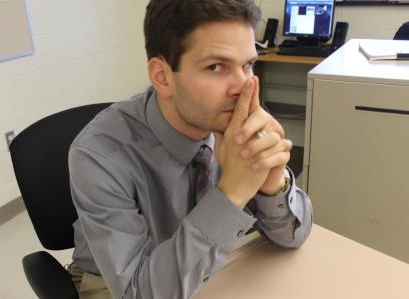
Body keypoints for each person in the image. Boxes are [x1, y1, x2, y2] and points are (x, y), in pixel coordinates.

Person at [68, 0, 313, 298]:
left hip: (210, 261)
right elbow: (138, 292)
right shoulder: (98, 155)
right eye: (216, 67)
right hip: (115, 280)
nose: (243, 86)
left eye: (248, 64)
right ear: (162, 77)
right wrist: (231, 193)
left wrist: (273, 184)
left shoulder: (234, 117)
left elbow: (293, 237)